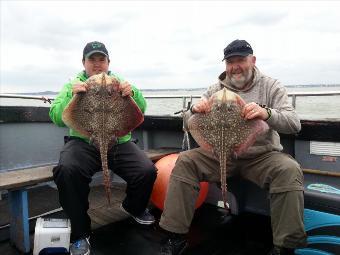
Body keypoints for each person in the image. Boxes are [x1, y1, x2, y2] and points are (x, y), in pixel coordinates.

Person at [158, 39, 307, 255]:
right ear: (225, 65)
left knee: (289, 170)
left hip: (260, 156)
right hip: (218, 154)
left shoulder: (271, 86)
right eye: (230, 61)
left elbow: (294, 124)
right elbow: (186, 124)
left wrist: (267, 113)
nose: (235, 66)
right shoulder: (214, 89)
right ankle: (174, 236)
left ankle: (285, 246)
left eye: (241, 60)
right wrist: (194, 110)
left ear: (253, 60)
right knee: (186, 161)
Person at [49, 41, 157, 255]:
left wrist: (132, 93)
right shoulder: (74, 84)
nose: (97, 65)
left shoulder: (120, 83)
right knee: (67, 171)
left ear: (108, 63)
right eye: (92, 59)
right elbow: (56, 116)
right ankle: (80, 233)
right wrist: (72, 95)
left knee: (146, 171)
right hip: (84, 142)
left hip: (118, 140)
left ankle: (133, 207)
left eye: (102, 59)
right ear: (83, 63)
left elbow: (141, 109)